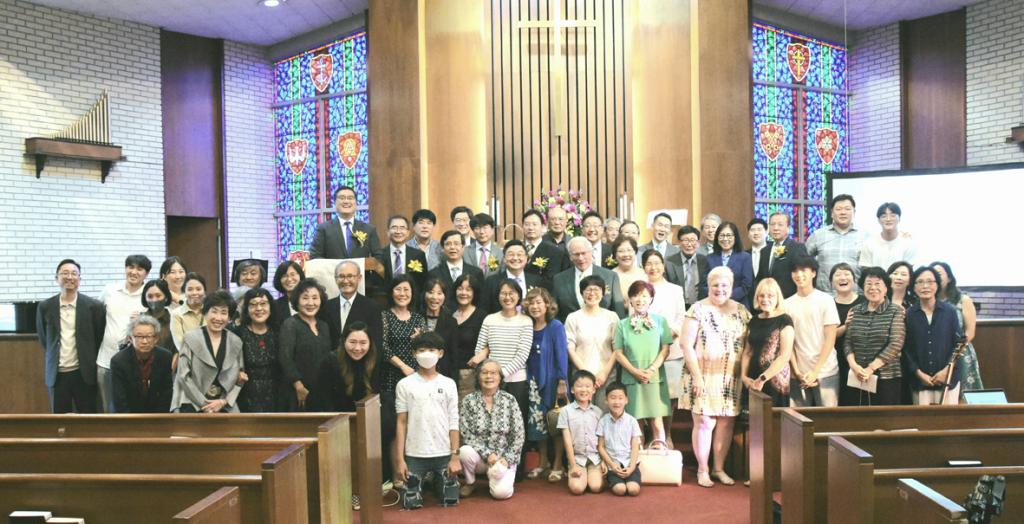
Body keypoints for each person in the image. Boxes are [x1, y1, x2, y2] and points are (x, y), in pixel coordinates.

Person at [680, 266, 751, 487]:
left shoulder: (741, 310)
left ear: (732, 286)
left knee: (726, 422)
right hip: (702, 375)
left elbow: (749, 344)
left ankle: (719, 468)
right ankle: (703, 469)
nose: (720, 289)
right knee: (704, 422)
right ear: (708, 286)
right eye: (715, 285)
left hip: (730, 376)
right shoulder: (697, 309)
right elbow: (686, 344)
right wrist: (697, 377)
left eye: (724, 285)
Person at [312, 321, 398, 492]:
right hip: (337, 419)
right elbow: (322, 399)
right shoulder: (330, 361)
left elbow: (375, 392)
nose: (357, 348)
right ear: (344, 341)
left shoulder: (374, 359)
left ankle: (380, 480)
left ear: (370, 343)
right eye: (352, 342)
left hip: (364, 416)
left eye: (363, 343)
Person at [471, 279, 533, 470]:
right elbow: (480, 349)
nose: (508, 297)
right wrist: (491, 376)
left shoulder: (526, 321)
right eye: (503, 293)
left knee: (515, 427)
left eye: (512, 293)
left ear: (519, 296)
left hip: (516, 381)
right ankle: (491, 467)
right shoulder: (489, 319)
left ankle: (515, 469)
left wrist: (501, 375)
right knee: (492, 427)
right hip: (490, 382)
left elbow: (523, 354)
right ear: (498, 296)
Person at [395, 332, 462, 510]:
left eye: (431, 350)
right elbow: (401, 422)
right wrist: (400, 460)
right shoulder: (404, 384)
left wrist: (455, 456)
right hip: (415, 454)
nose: (426, 354)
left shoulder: (449, 384)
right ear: (414, 353)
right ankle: (425, 483)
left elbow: (454, 420)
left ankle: (436, 482)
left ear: (440, 353)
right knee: (411, 504)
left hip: (443, 453)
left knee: (450, 501)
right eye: (421, 350)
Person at [36, 259, 106, 413]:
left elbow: (98, 336)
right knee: (60, 420)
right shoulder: (45, 306)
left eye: (74, 274)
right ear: (57, 278)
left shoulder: (94, 307)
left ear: (79, 279)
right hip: (57, 374)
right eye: (65, 273)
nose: (70, 277)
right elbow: (44, 339)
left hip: (84, 373)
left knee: (88, 418)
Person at [614, 280, 672, 444]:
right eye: (636, 296)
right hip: (631, 377)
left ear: (651, 299)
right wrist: (635, 372)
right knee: (635, 421)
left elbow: (665, 349)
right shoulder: (622, 324)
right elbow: (618, 353)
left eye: (645, 296)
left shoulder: (660, 321)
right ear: (630, 300)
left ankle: (659, 451)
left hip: (654, 376)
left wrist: (651, 369)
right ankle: (637, 455)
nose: (640, 300)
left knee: (656, 420)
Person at [457, 358, 524, 500]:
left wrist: (507, 459)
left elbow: (518, 435)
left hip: (503, 458)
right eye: (484, 373)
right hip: (481, 457)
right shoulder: (469, 400)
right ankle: (471, 482)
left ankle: (495, 477)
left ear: (500, 377)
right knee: (464, 451)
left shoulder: (509, 400)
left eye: (493, 373)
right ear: (478, 376)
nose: (489, 377)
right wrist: (487, 454)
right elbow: (466, 433)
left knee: (501, 494)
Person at [172, 290, 245, 413]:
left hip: (224, 405)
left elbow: (240, 378)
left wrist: (223, 401)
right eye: (214, 311)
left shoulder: (236, 341)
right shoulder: (190, 338)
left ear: (229, 317)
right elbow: (183, 376)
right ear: (205, 313)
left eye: (224, 313)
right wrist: (205, 404)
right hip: (193, 403)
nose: (218, 318)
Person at [842, 267, 906, 406]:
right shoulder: (856, 310)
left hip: (886, 378)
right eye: (868, 284)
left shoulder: (895, 311)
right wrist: (854, 365)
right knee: (858, 416)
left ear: (886, 288)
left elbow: (896, 343)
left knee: (884, 418)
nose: (873, 288)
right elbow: (847, 342)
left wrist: (871, 368)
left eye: (877, 284)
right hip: (857, 375)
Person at [642, 249, 687, 449]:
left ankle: (666, 435)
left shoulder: (675, 290)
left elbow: (681, 317)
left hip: (672, 349)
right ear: (643, 267)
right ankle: (652, 435)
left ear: (663, 265)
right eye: (649, 263)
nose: (653, 267)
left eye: (657, 263)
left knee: (670, 396)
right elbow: (634, 317)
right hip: (646, 352)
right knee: (649, 395)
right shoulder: (639, 288)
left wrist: (667, 336)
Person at [523, 288, 569, 479]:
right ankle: (543, 462)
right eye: (531, 303)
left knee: (555, 422)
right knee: (538, 423)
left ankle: (558, 464)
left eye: (539, 302)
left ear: (547, 305)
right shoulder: (526, 325)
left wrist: (562, 381)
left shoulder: (555, 326)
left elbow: (562, 355)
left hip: (552, 381)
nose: (535, 307)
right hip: (532, 383)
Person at [785, 256, 841, 407]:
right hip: (798, 374)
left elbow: (830, 338)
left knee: (828, 419)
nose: (799, 275)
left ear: (813, 273)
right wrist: (796, 372)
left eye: (803, 270)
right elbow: (788, 343)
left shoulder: (826, 300)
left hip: (826, 371)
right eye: (795, 271)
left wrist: (816, 371)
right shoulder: (786, 304)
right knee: (797, 419)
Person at [98, 254, 151, 412]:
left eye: (139, 269)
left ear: (146, 274)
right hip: (106, 361)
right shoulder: (110, 290)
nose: (134, 272)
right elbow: (96, 315)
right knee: (107, 409)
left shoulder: (149, 295)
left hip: (136, 366)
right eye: (130, 267)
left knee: (133, 409)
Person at [904, 266, 963, 405]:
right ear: (914, 287)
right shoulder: (909, 315)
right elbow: (906, 350)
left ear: (937, 285)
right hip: (920, 382)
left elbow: (958, 344)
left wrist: (946, 371)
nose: (925, 286)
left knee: (948, 418)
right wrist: (918, 373)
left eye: (930, 281)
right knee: (922, 419)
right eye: (920, 282)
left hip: (947, 380)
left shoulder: (950, 312)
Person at [564, 275, 620, 412]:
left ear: (603, 292)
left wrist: (604, 373)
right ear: (582, 293)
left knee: (606, 415)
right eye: (588, 290)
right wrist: (586, 374)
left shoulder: (612, 317)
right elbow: (570, 348)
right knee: (582, 415)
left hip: (606, 375)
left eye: (596, 290)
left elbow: (617, 348)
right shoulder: (573, 317)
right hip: (581, 376)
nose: (592, 293)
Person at [278, 279, 332, 411]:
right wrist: (298, 386)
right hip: (298, 391)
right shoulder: (290, 324)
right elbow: (285, 358)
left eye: (315, 298)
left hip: (322, 390)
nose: (311, 303)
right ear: (297, 301)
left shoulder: (324, 326)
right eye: (305, 298)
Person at [931, 261, 983, 393]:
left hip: (960, 353)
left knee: (963, 394)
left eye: (939, 274)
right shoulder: (929, 301)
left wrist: (955, 356)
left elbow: (970, 332)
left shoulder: (963, 299)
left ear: (949, 278)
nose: (935, 277)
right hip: (937, 353)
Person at [741, 278, 793, 407]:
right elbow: (747, 352)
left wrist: (763, 378)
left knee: (774, 417)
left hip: (774, 379)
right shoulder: (753, 321)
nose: (765, 299)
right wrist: (744, 376)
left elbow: (785, 356)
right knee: (752, 417)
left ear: (777, 298)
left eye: (770, 296)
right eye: (761, 296)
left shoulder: (785, 320)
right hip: (753, 378)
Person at [552, 237, 626, 322]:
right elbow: (555, 312)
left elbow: (619, 311)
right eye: (576, 254)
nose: (580, 258)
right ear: (570, 257)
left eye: (583, 253)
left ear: (591, 253)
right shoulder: (559, 279)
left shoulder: (610, 276)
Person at [110, 314, 174, 413]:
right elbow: (119, 399)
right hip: (127, 413)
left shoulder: (165, 357)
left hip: (156, 413)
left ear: (156, 339)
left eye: (149, 336)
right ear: (130, 339)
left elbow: (166, 393)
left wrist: (158, 418)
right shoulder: (118, 361)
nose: (145, 341)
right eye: (139, 336)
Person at [806, 194, 868, 292]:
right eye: (838, 209)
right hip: (825, 294)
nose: (843, 212)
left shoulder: (865, 237)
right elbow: (803, 261)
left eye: (847, 209)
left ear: (854, 212)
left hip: (856, 295)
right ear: (831, 213)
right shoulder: (818, 235)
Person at [233, 288, 281, 412]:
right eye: (253, 305)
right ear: (247, 309)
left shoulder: (279, 332)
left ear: (270, 307)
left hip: (277, 397)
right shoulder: (237, 334)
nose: (259, 308)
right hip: (246, 397)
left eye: (263, 304)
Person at [558, 370, 604, 495]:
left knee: (596, 487)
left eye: (588, 386)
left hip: (595, 459)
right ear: (572, 389)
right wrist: (573, 465)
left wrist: (604, 461)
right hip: (577, 459)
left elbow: (602, 440)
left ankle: (593, 475)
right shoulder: (566, 411)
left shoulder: (598, 412)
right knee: (577, 489)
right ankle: (579, 474)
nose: (584, 390)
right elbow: (567, 441)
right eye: (579, 386)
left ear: (593, 390)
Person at [320, 260, 383, 351]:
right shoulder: (326, 306)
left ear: (359, 278)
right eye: (341, 276)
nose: (345, 281)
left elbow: (376, 344)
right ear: (336, 279)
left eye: (350, 276)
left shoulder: (372, 307)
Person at [382, 275, 429, 393]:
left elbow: (427, 346)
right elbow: (383, 346)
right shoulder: (384, 316)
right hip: (391, 375)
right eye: (398, 289)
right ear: (391, 292)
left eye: (406, 289)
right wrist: (403, 366)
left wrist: (420, 339)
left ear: (412, 293)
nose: (402, 294)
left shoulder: (418, 318)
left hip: (416, 374)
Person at [309, 185, 383, 259]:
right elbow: (315, 256)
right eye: (342, 198)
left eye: (350, 198)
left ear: (356, 203)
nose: (346, 201)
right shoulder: (324, 229)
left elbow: (378, 257)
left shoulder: (369, 229)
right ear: (335, 203)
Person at [597, 383, 643, 496]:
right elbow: (601, 447)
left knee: (633, 490)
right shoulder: (603, 421)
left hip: (629, 463)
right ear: (606, 400)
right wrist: (612, 465)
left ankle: (632, 476)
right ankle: (612, 480)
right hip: (613, 465)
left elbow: (635, 447)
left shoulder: (632, 421)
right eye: (613, 398)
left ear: (626, 400)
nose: (616, 402)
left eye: (620, 398)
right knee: (620, 490)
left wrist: (632, 467)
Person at [480, 240, 545, 314]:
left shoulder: (537, 281)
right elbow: (484, 310)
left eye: (519, 254)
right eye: (511, 254)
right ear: (504, 259)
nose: (515, 258)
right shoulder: (492, 282)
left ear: (526, 258)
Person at [831, 262, 865, 401]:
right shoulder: (828, 304)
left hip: (861, 360)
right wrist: (845, 326)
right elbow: (826, 337)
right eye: (838, 275)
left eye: (847, 274)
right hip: (836, 360)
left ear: (854, 280)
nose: (842, 277)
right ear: (831, 282)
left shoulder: (864, 301)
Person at [451, 273, 487, 399]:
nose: (463, 293)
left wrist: (482, 354)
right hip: (448, 373)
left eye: (468, 289)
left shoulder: (482, 316)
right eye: (460, 288)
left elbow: (490, 343)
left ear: (474, 292)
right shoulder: (448, 314)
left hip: (470, 374)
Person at [428, 230, 485, 309]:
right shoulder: (434, 273)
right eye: (448, 244)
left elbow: (481, 300)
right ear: (442, 248)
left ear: (463, 247)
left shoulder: (476, 273)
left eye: (456, 243)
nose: (452, 247)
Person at [706, 221, 754, 307]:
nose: (725, 239)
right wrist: (716, 297)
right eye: (722, 235)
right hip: (713, 305)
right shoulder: (709, 258)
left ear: (735, 237)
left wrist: (725, 296)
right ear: (717, 237)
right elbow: (704, 285)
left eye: (729, 235)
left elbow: (746, 285)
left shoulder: (745, 257)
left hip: (738, 304)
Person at [859, 203, 917, 269]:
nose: (888, 219)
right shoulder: (869, 243)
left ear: (899, 219)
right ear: (878, 220)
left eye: (893, 215)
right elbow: (866, 270)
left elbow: (908, 271)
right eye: (884, 216)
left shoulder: (908, 243)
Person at [764, 212, 809, 298]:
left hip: (790, 299)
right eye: (772, 224)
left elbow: (803, 276)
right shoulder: (765, 250)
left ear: (788, 228)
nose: (775, 228)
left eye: (780, 225)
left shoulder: (797, 248)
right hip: (768, 300)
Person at [422, 277, 459, 378]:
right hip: (419, 373)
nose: (435, 297)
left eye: (439, 293)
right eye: (431, 292)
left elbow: (454, 356)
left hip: (443, 374)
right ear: (424, 294)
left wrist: (453, 381)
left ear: (445, 296)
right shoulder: (416, 318)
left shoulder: (451, 322)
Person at [522, 209, 570, 286]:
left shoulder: (555, 251)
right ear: (522, 226)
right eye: (527, 224)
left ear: (543, 226)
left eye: (534, 224)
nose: (530, 228)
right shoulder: (516, 249)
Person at [380, 214, 428, 290]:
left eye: (402, 228)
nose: (398, 231)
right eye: (394, 227)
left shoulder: (419, 255)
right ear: (388, 232)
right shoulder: (379, 255)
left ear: (408, 232)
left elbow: (423, 283)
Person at [667, 225, 710, 304]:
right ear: (679, 242)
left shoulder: (706, 261)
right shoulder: (669, 262)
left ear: (698, 243)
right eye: (686, 240)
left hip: (701, 305)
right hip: (677, 305)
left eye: (693, 240)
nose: (689, 244)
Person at [170, 272, 206, 353]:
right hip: (187, 357)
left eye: (198, 289)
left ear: (204, 291)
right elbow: (180, 344)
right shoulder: (176, 314)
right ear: (184, 292)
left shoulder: (210, 311)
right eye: (190, 289)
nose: (194, 293)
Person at [464, 213, 503, 277]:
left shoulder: (499, 252)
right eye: (477, 228)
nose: (482, 232)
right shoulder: (465, 252)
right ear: (473, 231)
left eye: (485, 227)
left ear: (492, 230)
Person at [140, 279, 174, 352]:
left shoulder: (174, 319)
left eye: (158, 296)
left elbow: (178, 349)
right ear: (145, 298)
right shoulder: (138, 320)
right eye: (150, 296)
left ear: (166, 297)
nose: (154, 300)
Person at [610, 237, 646, 304]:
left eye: (629, 250)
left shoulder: (645, 274)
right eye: (621, 251)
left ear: (635, 252)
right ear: (615, 255)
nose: (626, 254)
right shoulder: (610, 276)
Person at [271, 260, 304, 330]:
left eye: (293, 274)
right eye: (284, 276)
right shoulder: (275, 306)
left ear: (300, 276)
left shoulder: (310, 301)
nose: (289, 279)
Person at [747, 218, 769, 283]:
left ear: (766, 232)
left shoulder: (773, 251)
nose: (756, 233)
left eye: (759, 229)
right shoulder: (745, 255)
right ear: (748, 234)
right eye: (752, 230)